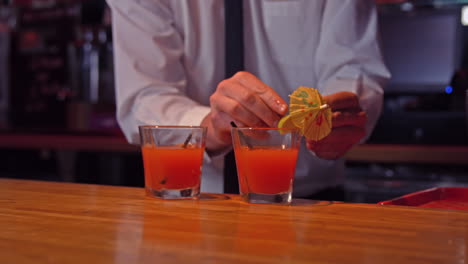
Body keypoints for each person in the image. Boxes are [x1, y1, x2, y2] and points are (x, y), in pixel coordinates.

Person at [106, 0, 390, 200]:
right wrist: (209, 125)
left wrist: (343, 113)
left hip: (308, 201)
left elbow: (354, 69)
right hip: (194, 199)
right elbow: (144, 97)